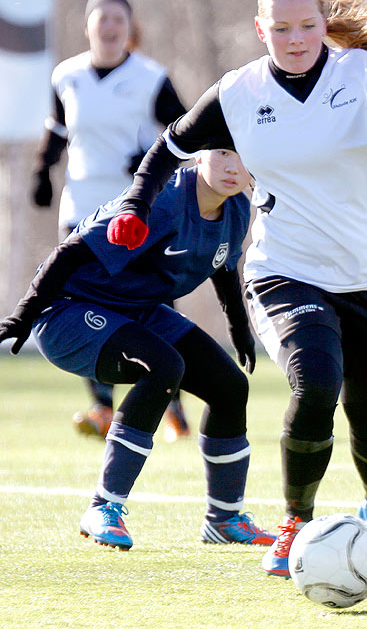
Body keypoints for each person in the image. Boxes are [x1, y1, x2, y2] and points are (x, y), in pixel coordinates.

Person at [105, 0, 367, 580]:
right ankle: (294, 523)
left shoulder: (363, 74)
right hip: (286, 267)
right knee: (314, 385)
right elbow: (168, 148)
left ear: (323, 24)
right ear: (261, 29)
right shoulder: (238, 92)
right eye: (281, 28)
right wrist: (135, 203)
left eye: (308, 25)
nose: (295, 38)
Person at [0, 149, 274, 550]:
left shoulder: (236, 208)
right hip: (68, 311)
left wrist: (239, 329)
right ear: (198, 157)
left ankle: (224, 519)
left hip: (136, 311)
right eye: (221, 153)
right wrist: (22, 317)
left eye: (243, 156)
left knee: (229, 386)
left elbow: (223, 266)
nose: (233, 167)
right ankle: (103, 508)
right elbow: (70, 251)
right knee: (164, 366)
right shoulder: (162, 200)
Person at [32, 0, 193, 442]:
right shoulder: (68, 75)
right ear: (88, 26)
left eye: (117, 21)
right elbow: (59, 128)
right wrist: (43, 171)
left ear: (129, 29)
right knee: (81, 302)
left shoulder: (151, 76)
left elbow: (184, 131)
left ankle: (173, 403)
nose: (109, 28)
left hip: (136, 211)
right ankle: (102, 405)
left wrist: (149, 157)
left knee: (151, 300)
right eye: (101, 19)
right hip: (81, 207)